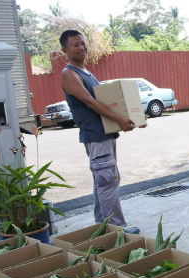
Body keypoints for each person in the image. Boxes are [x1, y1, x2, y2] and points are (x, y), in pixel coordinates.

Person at [59, 30, 139, 233]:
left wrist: (132, 118)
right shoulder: (69, 74)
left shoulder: (86, 72)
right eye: (75, 45)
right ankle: (116, 230)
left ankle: (103, 227)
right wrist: (120, 119)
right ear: (65, 50)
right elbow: (90, 102)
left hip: (104, 134)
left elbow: (106, 101)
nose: (81, 47)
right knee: (107, 181)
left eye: (83, 43)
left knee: (103, 181)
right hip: (95, 135)